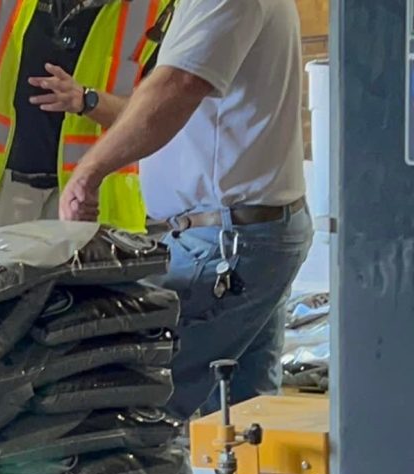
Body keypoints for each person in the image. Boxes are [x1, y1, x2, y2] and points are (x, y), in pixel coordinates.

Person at [60, 0, 313, 418]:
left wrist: (89, 171)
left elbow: (177, 85)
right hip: (244, 234)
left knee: (144, 403)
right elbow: (167, 98)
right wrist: (89, 102)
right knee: (243, 421)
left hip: (226, 244)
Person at [0, 0, 175, 233]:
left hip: (94, 198)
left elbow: (154, 117)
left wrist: (87, 100)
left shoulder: (155, 11)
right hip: (7, 189)